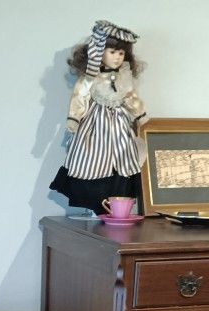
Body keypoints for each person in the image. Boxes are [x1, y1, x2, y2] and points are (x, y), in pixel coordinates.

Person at [49, 20, 147, 215]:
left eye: (121, 53)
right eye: (112, 52)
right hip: (96, 124)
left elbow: (130, 96)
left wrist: (139, 114)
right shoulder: (91, 76)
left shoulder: (124, 75)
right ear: (99, 52)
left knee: (122, 159)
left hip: (119, 123)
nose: (117, 58)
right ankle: (94, 206)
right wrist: (74, 119)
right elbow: (80, 96)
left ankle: (116, 206)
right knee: (92, 159)